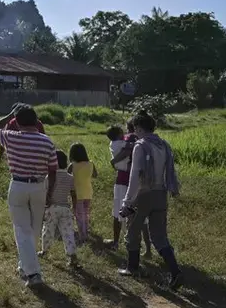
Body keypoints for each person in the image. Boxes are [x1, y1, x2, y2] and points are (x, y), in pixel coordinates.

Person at [0, 104, 58, 288]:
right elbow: (53, 171)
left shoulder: (11, 137)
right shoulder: (47, 141)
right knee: (34, 229)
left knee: (21, 229)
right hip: (39, 187)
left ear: (17, 122)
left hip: (18, 186)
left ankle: (33, 273)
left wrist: (8, 115)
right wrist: (50, 193)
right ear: (36, 121)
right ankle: (24, 266)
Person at [118, 110, 182, 290]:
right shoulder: (163, 145)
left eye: (135, 128)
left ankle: (132, 267)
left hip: (143, 195)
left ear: (138, 127)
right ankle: (176, 272)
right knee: (159, 236)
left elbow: (135, 177)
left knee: (132, 231)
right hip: (161, 194)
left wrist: (127, 202)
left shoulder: (141, 145)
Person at [105, 125, 153, 255]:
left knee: (118, 212)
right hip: (136, 181)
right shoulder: (139, 140)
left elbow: (126, 152)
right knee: (141, 216)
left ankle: (116, 242)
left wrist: (114, 161)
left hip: (123, 180)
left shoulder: (129, 138)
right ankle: (147, 248)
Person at [38, 150, 79, 268]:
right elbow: (73, 194)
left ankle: (44, 251)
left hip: (52, 208)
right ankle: (71, 256)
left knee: (48, 230)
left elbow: (45, 193)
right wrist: (74, 207)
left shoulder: (50, 176)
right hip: (65, 208)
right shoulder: (70, 177)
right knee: (68, 233)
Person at [68, 143, 98, 244]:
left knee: (78, 214)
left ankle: (82, 235)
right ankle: (86, 231)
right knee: (86, 212)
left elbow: (67, 176)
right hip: (88, 192)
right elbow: (95, 175)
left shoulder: (72, 165)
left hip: (77, 193)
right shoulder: (91, 164)